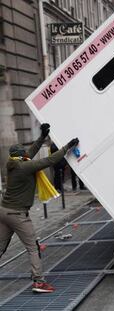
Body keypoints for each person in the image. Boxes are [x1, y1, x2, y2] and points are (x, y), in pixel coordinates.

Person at [0, 123, 79, 293]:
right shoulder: (25, 166)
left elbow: (31, 152)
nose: (27, 156)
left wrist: (42, 136)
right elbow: (49, 160)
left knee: (1, 247)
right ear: (21, 157)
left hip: (4, 212)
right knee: (33, 248)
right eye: (25, 155)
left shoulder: (13, 164)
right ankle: (39, 282)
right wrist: (67, 147)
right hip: (17, 214)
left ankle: (38, 280)